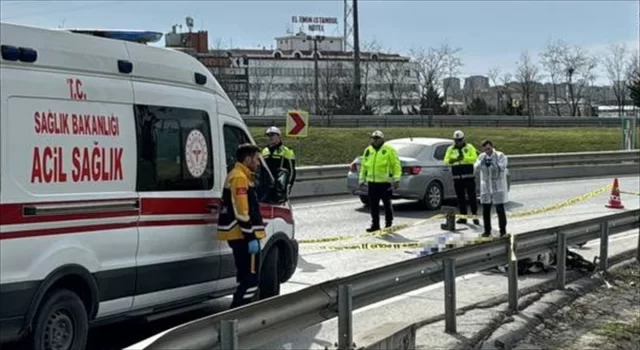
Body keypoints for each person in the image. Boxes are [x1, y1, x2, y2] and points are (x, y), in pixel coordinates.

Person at [217, 143, 266, 308]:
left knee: (245, 278)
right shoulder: (239, 177)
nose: (258, 163)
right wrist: (251, 237)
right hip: (242, 236)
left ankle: (237, 316)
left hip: (241, 235)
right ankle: (238, 315)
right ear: (247, 159)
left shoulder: (242, 175)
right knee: (251, 280)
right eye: (256, 159)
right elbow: (241, 211)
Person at [359, 130, 401, 232]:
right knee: (373, 206)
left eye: (377, 138)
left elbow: (396, 165)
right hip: (372, 183)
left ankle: (388, 224)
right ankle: (375, 225)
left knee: (387, 204)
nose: (375, 140)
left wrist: (396, 179)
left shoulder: (389, 150)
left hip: (384, 182)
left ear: (382, 139)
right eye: (374, 138)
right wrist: (361, 179)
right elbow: (364, 166)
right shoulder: (368, 150)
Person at [444, 130, 480, 225]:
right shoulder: (450, 149)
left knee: (472, 198)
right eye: (456, 140)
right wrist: (453, 160)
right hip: (457, 178)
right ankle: (463, 217)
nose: (458, 142)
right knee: (460, 198)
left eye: (460, 140)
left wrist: (464, 158)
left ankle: (475, 216)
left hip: (468, 177)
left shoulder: (469, 147)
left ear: (463, 139)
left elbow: (474, 158)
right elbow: (446, 160)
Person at [475, 139, 509, 237]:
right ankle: (487, 231)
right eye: (485, 150)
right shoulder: (482, 157)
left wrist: (494, 164)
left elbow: (503, 166)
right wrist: (482, 163)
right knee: (486, 210)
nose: (487, 151)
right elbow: (476, 166)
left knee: (500, 209)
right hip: (486, 186)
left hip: (497, 186)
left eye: (489, 149)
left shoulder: (500, 155)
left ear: (492, 147)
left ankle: (502, 231)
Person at [262, 126, 296, 194]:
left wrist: (289, 184)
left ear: (279, 137)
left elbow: (291, 171)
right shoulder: (264, 151)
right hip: (265, 186)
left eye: (272, 135)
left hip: (280, 186)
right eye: (268, 135)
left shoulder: (286, 151)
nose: (270, 137)